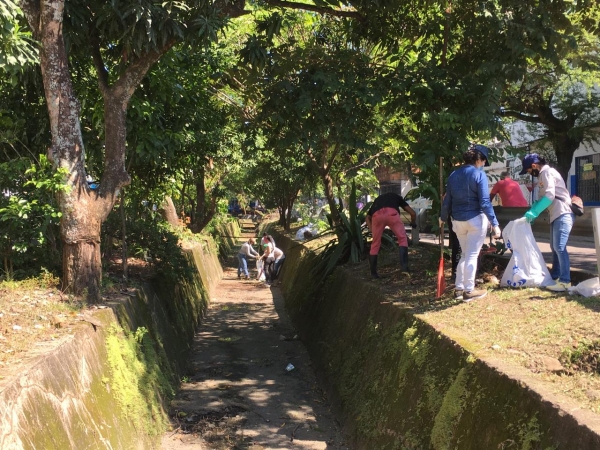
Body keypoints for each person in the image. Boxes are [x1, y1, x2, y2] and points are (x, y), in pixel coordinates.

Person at [440, 144, 501, 301]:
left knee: (465, 255)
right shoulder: (478, 175)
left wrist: (442, 217)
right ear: (478, 159)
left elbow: (447, 200)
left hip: (457, 221)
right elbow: (485, 202)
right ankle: (469, 291)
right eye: (483, 162)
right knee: (472, 255)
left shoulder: (453, 175)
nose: (482, 165)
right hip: (475, 220)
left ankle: (459, 289)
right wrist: (495, 223)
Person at [519, 153, 574, 292]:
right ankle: (555, 277)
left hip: (563, 213)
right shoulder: (542, 176)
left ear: (534, 165)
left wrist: (535, 212)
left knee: (560, 247)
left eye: (529, 170)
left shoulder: (547, 172)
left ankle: (565, 281)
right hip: (556, 215)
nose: (529, 173)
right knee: (554, 247)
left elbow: (549, 195)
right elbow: (541, 198)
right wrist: (532, 211)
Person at [365, 192, 417, 279]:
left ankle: (373, 274)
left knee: (375, 244)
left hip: (377, 216)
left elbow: (367, 218)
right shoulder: (397, 197)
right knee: (402, 239)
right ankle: (405, 268)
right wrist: (413, 222)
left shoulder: (378, 200)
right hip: (392, 215)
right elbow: (413, 213)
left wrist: (373, 231)